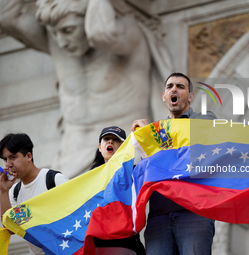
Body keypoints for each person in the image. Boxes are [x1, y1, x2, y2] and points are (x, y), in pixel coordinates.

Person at [0, 0, 172, 178]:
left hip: (123, 152)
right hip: (69, 158)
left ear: (88, 16)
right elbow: (6, 17)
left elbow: (100, 33)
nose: (62, 41)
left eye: (68, 30)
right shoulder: (59, 40)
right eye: (55, 32)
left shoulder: (127, 34)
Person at [131, 72, 216, 255]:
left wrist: (150, 136)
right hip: (158, 218)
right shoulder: (154, 132)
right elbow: (148, 171)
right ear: (164, 97)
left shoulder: (205, 120)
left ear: (190, 97)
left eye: (180, 86)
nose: (174, 89)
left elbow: (187, 151)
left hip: (194, 214)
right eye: (169, 87)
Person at [0, 133, 69, 255]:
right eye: (5, 159)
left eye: (13, 157)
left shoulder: (54, 180)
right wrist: (3, 191)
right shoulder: (14, 192)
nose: (8, 164)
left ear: (28, 156)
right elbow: (10, 230)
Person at [90, 126, 145, 255]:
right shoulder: (89, 179)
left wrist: (143, 137)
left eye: (116, 140)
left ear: (123, 147)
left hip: (126, 245)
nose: (110, 142)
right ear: (100, 147)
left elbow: (149, 165)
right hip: (98, 246)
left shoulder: (133, 172)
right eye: (107, 139)